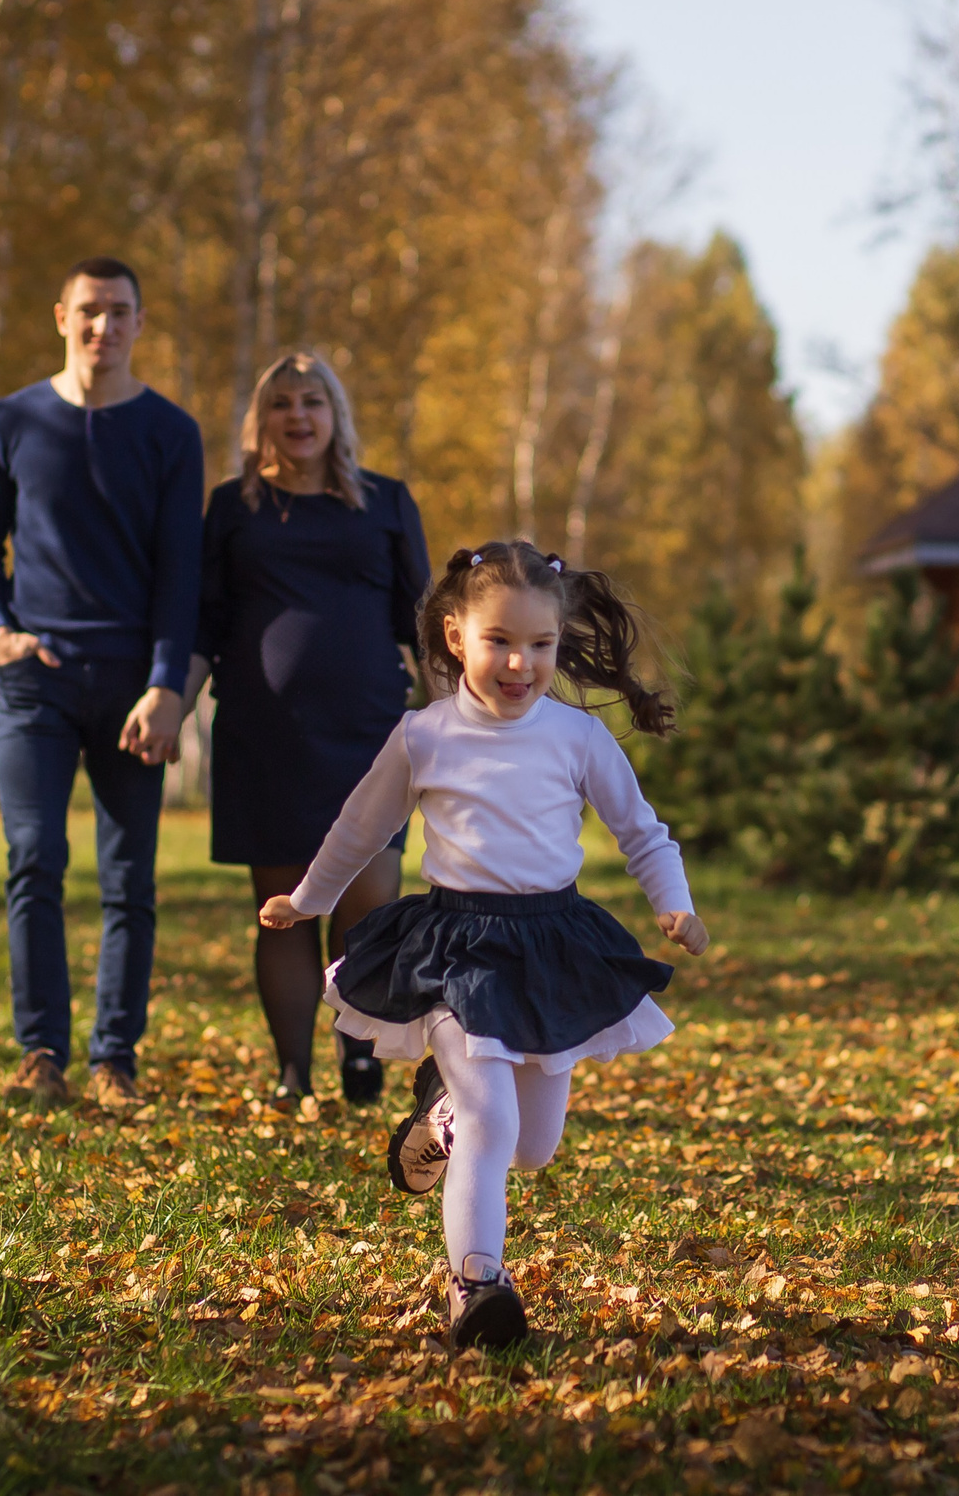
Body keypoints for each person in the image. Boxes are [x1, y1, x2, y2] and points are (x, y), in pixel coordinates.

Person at [258, 540, 709, 1350]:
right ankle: (475, 1285)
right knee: (494, 1118)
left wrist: (673, 906)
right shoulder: (424, 735)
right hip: (455, 949)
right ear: (456, 634)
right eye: (500, 641)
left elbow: (643, 833)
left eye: (540, 646)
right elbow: (362, 828)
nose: (520, 664)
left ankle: (442, 1115)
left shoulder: (575, 738)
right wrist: (307, 899)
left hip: (554, 944)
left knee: (534, 1148)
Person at [0, 256, 204, 1114]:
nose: (104, 327)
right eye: (89, 311)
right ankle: (40, 1054)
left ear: (141, 323)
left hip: (135, 692)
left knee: (129, 878)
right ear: (60, 315)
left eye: (120, 312)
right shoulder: (12, 420)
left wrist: (169, 684)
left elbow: (182, 573)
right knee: (35, 863)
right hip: (37, 684)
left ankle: (115, 1062)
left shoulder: (172, 433)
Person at [191, 353, 429, 1107]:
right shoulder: (234, 507)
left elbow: (423, 623)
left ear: (336, 416)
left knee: (369, 896)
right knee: (284, 909)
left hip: (367, 731)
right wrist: (171, 700)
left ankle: (358, 1046)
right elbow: (207, 619)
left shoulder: (386, 501)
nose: (298, 416)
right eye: (283, 403)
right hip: (268, 734)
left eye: (313, 402)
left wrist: (470, 718)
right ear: (261, 419)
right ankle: (293, 1075)